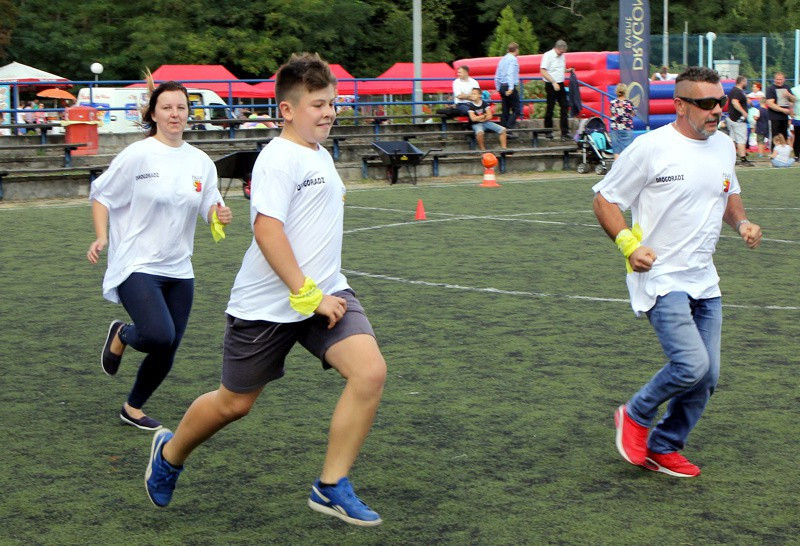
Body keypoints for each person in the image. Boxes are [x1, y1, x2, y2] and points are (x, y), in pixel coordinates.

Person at [143, 53, 387, 527]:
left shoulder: (319, 152)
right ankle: (169, 454)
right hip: (268, 304)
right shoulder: (277, 158)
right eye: (317, 104)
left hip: (324, 292)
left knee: (370, 373)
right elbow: (267, 230)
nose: (328, 112)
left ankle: (331, 486)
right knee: (234, 403)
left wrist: (317, 293)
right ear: (288, 110)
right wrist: (306, 292)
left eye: (332, 103)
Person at [592, 66, 762, 478]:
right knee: (689, 364)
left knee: (708, 376)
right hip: (661, 275)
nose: (715, 110)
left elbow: (729, 191)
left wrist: (741, 223)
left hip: (704, 277)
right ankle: (635, 413)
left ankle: (664, 446)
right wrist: (629, 247)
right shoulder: (650, 148)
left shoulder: (722, 145)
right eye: (704, 104)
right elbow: (604, 199)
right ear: (680, 104)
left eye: (719, 102)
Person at [86, 80, 233, 431]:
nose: (175, 114)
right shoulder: (138, 155)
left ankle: (132, 408)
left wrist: (218, 215)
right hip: (136, 264)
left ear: (188, 113)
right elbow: (101, 194)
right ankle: (122, 334)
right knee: (158, 335)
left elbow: (209, 208)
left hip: (179, 267)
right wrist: (102, 236)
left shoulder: (201, 162)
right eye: (167, 107)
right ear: (153, 113)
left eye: (181, 107)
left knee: (168, 347)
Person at [540, 39, 574, 140]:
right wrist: (553, 82)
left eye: (563, 52)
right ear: (556, 48)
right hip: (551, 83)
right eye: (561, 51)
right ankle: (548, 130)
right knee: (550, 107)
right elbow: (543, 70)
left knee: (564, 106)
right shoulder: (548, 55)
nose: (562, 54)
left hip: (560, 83)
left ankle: (565, 131)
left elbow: (560, 68)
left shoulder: (562, 56)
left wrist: (568, 70)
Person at [727, 75, 755, 166]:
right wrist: (744, 112)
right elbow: (735, 102)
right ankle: (743, 158)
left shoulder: (735, 91)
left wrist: (747, 99)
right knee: (741, 139)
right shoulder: (737, 92)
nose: (746, 83)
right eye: (745, 82)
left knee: (733, 140)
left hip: (733, 118)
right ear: (742, 82)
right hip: (739, 120)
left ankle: (731, 158)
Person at [494, 42, 520, 130]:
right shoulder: (513, 59)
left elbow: (497, 75)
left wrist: (498, 88)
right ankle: (508, 128)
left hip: (502, 86)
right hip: (509, 86)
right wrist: (511, 88)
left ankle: (502, 129)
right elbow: (510, 73)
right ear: (516, 50)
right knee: (517, 109)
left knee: (505, 110)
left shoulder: (502, 60)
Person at [765, 71, 795, 139]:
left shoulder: (787, 87)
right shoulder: (771, 89)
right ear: (774, 80)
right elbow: (770, 104)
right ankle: (774, 149)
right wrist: (783, 110)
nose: (779, 81)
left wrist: (789, 95)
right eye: (777, 79)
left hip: (784, 118)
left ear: (784, 79)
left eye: (780, 79)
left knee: (784, 138)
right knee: (775, 138)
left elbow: (793, 100)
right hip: (774, 118)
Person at [609, 83, 635, 159]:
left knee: (617, 150)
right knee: (628, 150)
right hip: (627, 128)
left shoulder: (613, 103)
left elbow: (612, 113)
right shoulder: (629, 103)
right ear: (625, 91)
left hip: (615, 128)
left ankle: (617, 168)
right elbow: (632, 114)